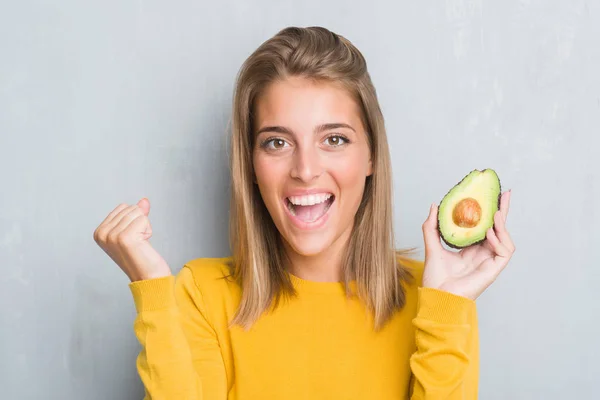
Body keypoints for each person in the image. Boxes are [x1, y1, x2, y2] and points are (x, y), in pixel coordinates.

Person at [93, 26, 515, 399]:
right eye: (277, 142)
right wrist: (151, 289)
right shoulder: (202, 296)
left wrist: (447, 308)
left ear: (371, 158)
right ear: (251, 166)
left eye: (334, 139)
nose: (306, 171)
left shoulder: (436, 300)